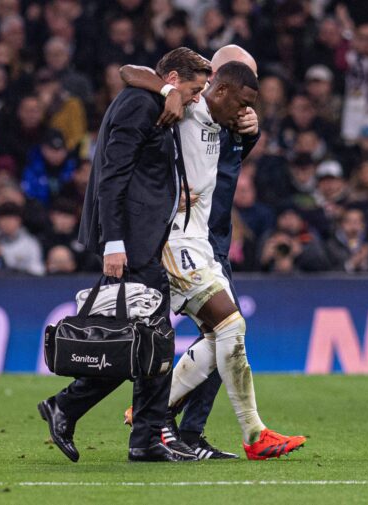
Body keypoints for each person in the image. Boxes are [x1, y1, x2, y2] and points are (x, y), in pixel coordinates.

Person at [122, 57, 305, 459]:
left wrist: (250, 132)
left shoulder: (224, 123)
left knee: (218, 335)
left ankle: (151, 410)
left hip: (201, 242)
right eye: (241, 103)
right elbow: (129, 72)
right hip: (175, 243)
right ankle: (254, 434)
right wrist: (167, 90)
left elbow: (227, 161)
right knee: (231, 325)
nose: (244, 112)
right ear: (217, 90)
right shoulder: (188, 103)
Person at [37, 47, 210, 464]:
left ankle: (74, 408)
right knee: (150, 342)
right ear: (171, 76)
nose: (196, 98)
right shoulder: (139, 103)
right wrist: (114, 242)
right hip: (130, 242)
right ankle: (141, 436)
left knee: (138, 343)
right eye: (193, 89)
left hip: (143, 239)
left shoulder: (154, 97)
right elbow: (112, 174)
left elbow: (134, 72)